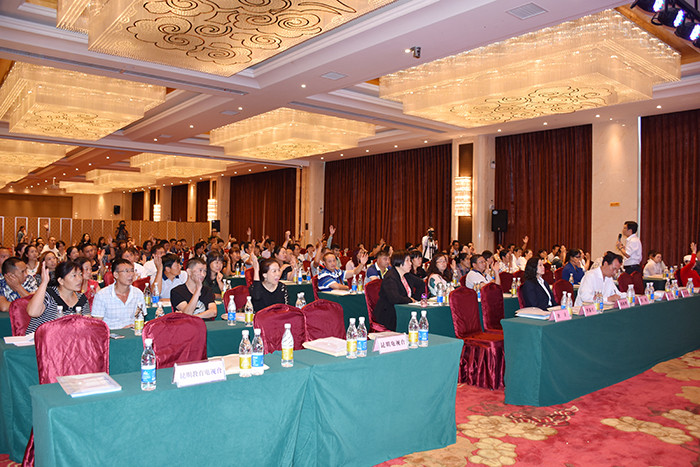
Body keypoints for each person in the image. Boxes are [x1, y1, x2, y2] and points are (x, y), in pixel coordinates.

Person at [26, 261, 90, 334]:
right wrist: (44, 283)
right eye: (74, 275)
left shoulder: (82, 299)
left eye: (80, 274)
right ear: (61, 281)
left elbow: (87, 326)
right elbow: (33, 312)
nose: (79, 279)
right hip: (39, 338)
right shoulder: (49, 294)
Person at [373, 251, 424, 331]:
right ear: (399, 262)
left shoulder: (406, 275)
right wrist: (410, 300)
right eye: (407, 260)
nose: (410, 263)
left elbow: (421, 284)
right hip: (389, 314)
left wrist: (415, 299)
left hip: (404, 310)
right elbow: (394, 298)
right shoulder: (390, 277)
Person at [91, 258, 146, 329]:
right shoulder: (102, 295)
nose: (131, 274)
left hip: (133, 333)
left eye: (132, 271)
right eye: (126, 271)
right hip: (111, 334)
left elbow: (141, 318)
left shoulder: (138, 293)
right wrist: (121, 330)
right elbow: (97, 327)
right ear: (116, 275)